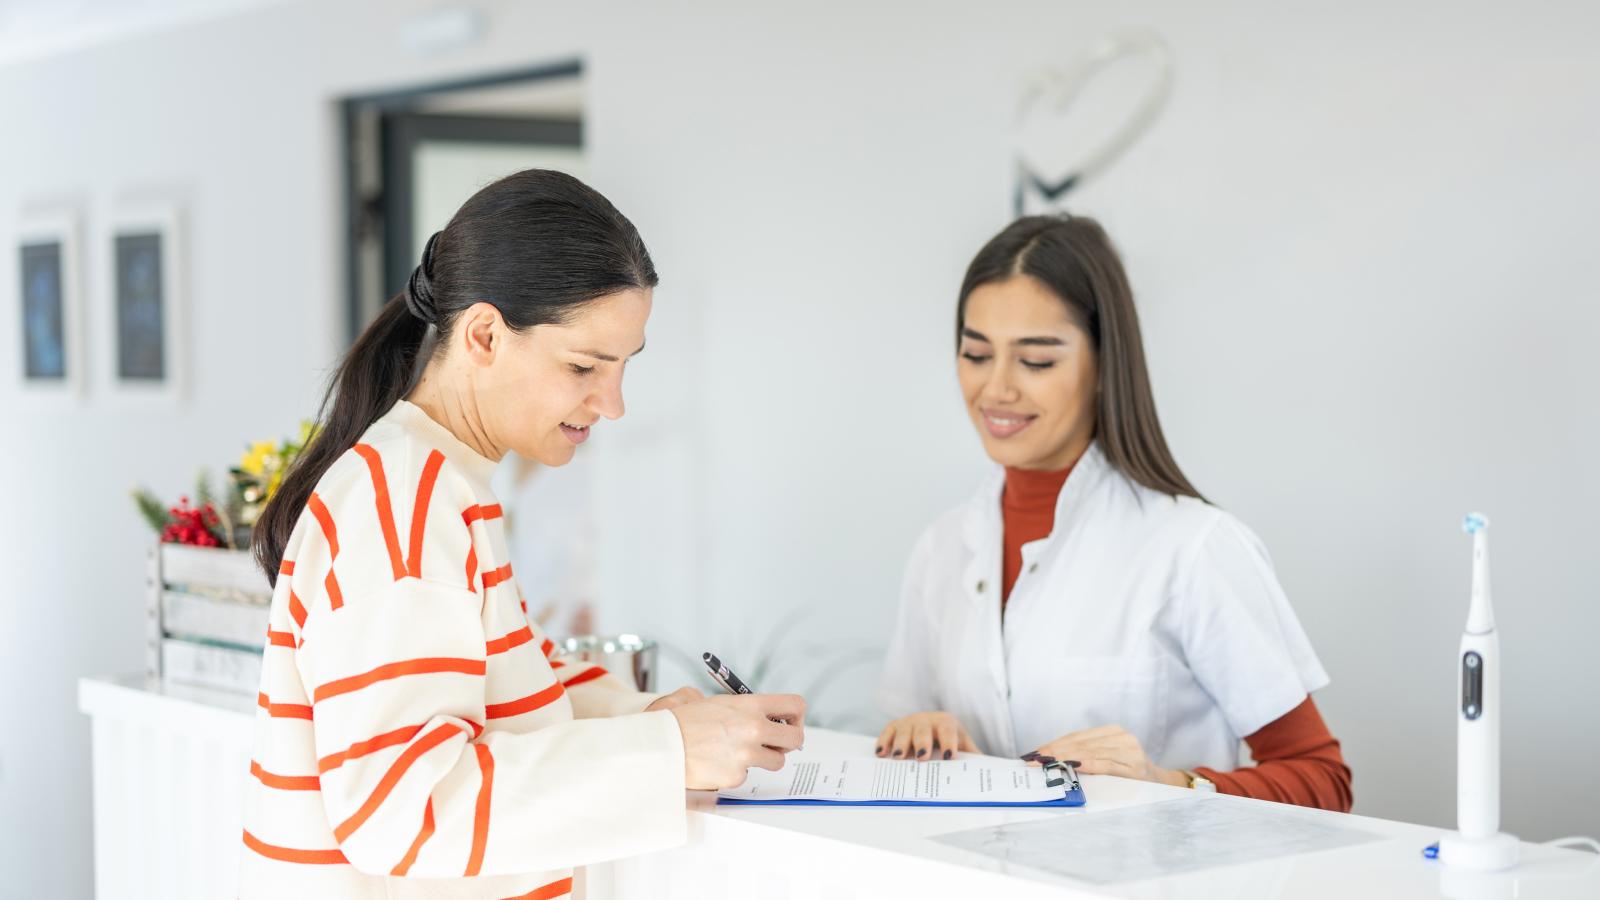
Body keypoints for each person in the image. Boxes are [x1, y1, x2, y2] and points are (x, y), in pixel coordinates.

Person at [241, 169, 804, 898]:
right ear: (483, 335)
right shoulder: (403, 506)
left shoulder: (437, 485)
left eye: (624, 368)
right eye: (583, 367)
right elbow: (403, 812)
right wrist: (665, 754)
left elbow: (505, 686)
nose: (614, 403)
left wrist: (657, 719)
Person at [876, 214, 1350, 811]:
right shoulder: (943, 547)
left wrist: (1167, 783)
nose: (996, 388)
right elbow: (914, 732)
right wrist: (925, 734)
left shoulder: (1194, 548)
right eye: (976, 353)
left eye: (1036, 361)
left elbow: (1323, 780)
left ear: (1104, 366)